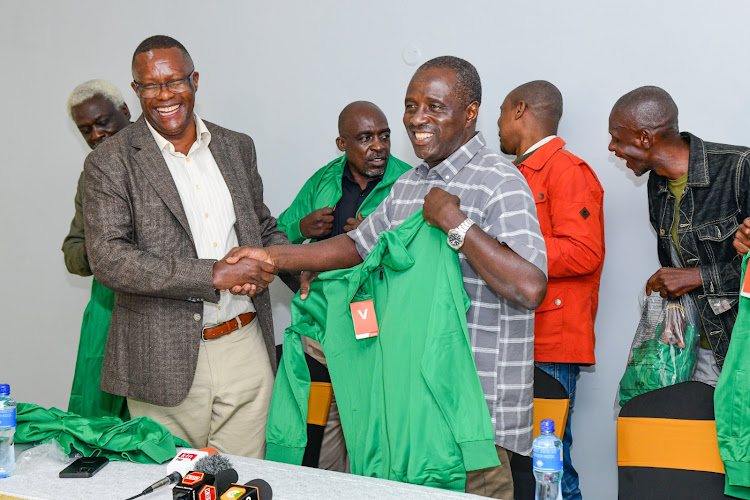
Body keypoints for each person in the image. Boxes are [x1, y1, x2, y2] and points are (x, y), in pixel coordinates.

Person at [226, 56, 548, 499]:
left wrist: (455, 224)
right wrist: (273, 256)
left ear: (470, 112)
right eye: (411, 106)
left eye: (434, 107)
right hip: (411, 416)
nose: (417, 119)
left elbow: (530, 287)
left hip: (476, 421)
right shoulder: (410, 184)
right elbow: (355, 246)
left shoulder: (500, 181)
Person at [82, 35, 297, 457]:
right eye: (150, 86)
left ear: (194, 80)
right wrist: (212, 274)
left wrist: (305, 270)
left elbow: (262, 227)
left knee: (242, 482)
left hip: (243, 346)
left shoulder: (236, 146)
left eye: (174, 81)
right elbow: (109, 258)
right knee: (173, 483)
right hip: (160, 356)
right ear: (136, 90)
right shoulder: (110, 161)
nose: (164, 96)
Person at [277, 101, 411, 472]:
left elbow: (423, 257)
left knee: (370, 422)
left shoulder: (409, 181)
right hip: (322, 323)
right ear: (342, 144)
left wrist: (371, 241)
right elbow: (275, 235)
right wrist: (302, 229)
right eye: (365, 138)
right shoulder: (323, 180)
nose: (378, 146)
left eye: (384, 136)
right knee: (326, 424)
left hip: (375, 321)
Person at [498, 80, 604, 500]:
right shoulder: (515, 173)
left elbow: (583, 253)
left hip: (551, 341)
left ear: (520, 109)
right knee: (522, 466)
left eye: (501, 113)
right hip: (516, 336)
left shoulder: (566, 171)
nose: (499, 126)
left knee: (550, 466)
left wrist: (506, 249)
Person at [609, 85, 750, 384]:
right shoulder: (657, 186)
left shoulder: (740, 169)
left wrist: (697, 276)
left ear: (645, 138)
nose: (611, 148)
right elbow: (677, 268)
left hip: (741, 353)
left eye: (616, 138)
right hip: (699, 354)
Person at [63, 79, 132, 419]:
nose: (96, 135)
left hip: (160, 309)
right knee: (99, 424)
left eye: (102, 122)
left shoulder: (164, 158)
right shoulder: (90, 173)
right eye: (85, 129)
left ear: (125, 111)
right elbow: (73, 249)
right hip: (107, 308)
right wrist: (99, 250)